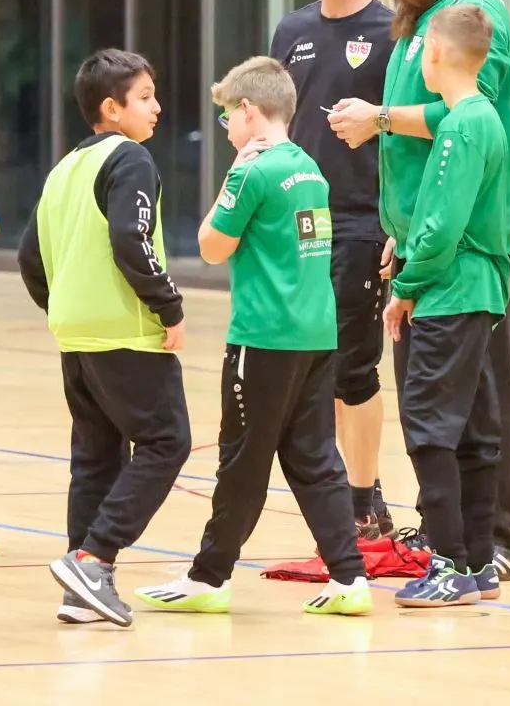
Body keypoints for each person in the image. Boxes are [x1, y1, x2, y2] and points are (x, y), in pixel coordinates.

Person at [328, 0, 510, 580]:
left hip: (471, 241)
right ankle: (464, 540)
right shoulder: (419, 17)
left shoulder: (477, 18)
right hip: (426, 239)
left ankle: (498, 540)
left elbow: (460, 107)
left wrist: (380, 116)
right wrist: (402, 232)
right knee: (451, 408)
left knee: (475, 404)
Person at [133, 57, 371, 617]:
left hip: (264, 337)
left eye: (225, 118)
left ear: (246, 111)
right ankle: (349, 577)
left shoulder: (252, 170)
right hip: (316, 333)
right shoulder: (310, 167)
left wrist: (230, 177)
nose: (227, 131)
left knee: (241, 460)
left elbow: (211, 246)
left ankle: (209, 578)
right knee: (315, 459)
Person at [17, 49, 190, 628]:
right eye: (145, 97)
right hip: (126, 332)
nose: (157, 107)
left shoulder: (64, 169)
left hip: (77, 333)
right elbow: (131, 238)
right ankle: (94, 557)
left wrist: (63, 304)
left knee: (95, 459)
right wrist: (169, 307)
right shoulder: (130, 158)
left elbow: (28, 255)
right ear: (111, 109)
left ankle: (81, 588)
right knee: (167, 443)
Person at [270, 0, 395, 538]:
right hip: (299, 221)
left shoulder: (391, 30)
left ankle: (365, 496)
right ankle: (328, 492)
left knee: (353, 365)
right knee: (304, 364)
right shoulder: (291, 29)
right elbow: (270, 123)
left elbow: (406, 134)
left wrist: (396, 222)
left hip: (359, 220)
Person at [381, 4, 510, 607]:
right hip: (482, 290)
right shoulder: (487, 118)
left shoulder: (460, 124)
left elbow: (441, 223)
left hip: (449, 291)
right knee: (475, 434)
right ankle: (480, 564)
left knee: (430, 431)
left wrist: (406, 287)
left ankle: (449, 565)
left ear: (434, 54)